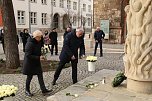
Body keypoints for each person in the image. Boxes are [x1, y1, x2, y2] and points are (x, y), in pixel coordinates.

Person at [22, 30, 52, 97]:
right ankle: (27, 90)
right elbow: (28, 55)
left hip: (36, 63)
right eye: (39, 37)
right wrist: (38, 57)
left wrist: (42, 54)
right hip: (30, 63)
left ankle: (43, 90)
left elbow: (40, 49)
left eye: (41, 37)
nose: (40, 39)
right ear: (35, 37)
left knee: (40, 76)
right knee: (29, 77)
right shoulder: (29, 43)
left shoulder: (38, 42)